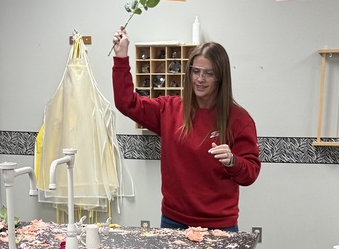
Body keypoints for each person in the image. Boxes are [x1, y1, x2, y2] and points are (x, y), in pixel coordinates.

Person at [111, 29, 260, 230]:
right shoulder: (169, 110)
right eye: (196, 71)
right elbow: (126, 103)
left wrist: (233, 161)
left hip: (219, 225)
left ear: (221, 77)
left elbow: (250, 174)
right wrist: (121, 57)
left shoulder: (239, 120)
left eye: (209, 73)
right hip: (174, 220)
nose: (200, 79)